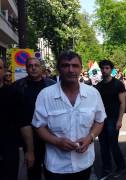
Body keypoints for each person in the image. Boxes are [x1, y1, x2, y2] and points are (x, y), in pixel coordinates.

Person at [32, 51, 106, 180]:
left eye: (75, 66)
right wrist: (56, 142)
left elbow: (99, 121)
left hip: (84, 163)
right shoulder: (45, 95)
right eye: (65, 65)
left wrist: (90, 137)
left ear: (81, 68)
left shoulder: (93, 94)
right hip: (56, 166)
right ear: (58, 68)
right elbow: (39, 126)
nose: (70, 70)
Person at [13, 57, 56, 180]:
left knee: (52, 169)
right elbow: (18, 115)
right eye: (30, 65)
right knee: (33, 169)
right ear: (26, 68)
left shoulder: (52, 85)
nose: (33, 68)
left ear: (41, 68)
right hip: (30, 135)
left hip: (51, 134)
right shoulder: (18, 87)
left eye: (36, 65)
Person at [0, 60, 35, 180]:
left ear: (4, 71)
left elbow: (24, 124)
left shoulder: (14, 93)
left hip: (7, 152)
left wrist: (30, 151)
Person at [95, 60, 126, 179]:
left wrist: (120, 120)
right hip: (101, 120)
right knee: (103, 146)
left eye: (107, 68)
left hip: (113, 119)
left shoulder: (118, 84)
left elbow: (122, 103)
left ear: (111, 69)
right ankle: (106, 169)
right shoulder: (99, 85)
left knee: (113, 145)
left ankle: (121, 166)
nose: (104, 70)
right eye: (102, 68)